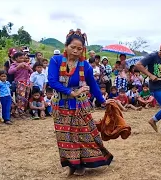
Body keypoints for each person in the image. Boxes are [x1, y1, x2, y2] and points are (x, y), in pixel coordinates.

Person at [48, 30, 113, 176]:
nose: (76, 51)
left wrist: (102, 100)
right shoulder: (56, 61)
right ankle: (72, 164)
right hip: (61, 105)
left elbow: (93, 84)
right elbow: (52, 81)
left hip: (80, 106)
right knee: (66, 136)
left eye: (79, 48)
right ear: (66, 46)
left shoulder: (85, 66)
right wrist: (71, 92)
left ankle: (82, 163)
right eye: (73, 47)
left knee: (85, 134)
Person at [135, 42, 161, 134]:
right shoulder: (152, 56)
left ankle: (154, 119)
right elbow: (138, 65)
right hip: (155, 87)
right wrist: (150, 75)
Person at [8, 52, 33, 118]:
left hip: (27, 82)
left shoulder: (26, 64)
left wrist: (28, 68)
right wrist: (18, 67)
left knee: (26, 98)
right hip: (19, 82)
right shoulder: (14, 64)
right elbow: (10, 72)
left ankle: (23, 111)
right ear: (16, 58)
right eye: (20, 58)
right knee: (20, 98)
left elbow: (32, 72)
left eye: (23, 58)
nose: (22, 59)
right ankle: (20, 112)